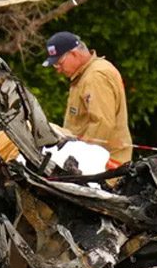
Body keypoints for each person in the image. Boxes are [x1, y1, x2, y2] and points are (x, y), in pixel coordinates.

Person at [42, 31, 132, 168]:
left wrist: (77, 159)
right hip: (90, 162)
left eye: (59, 63)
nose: (58, 70)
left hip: (104, 167)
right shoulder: (84, 76)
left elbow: (101, 124)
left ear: (74, 54)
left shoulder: (95, 77)